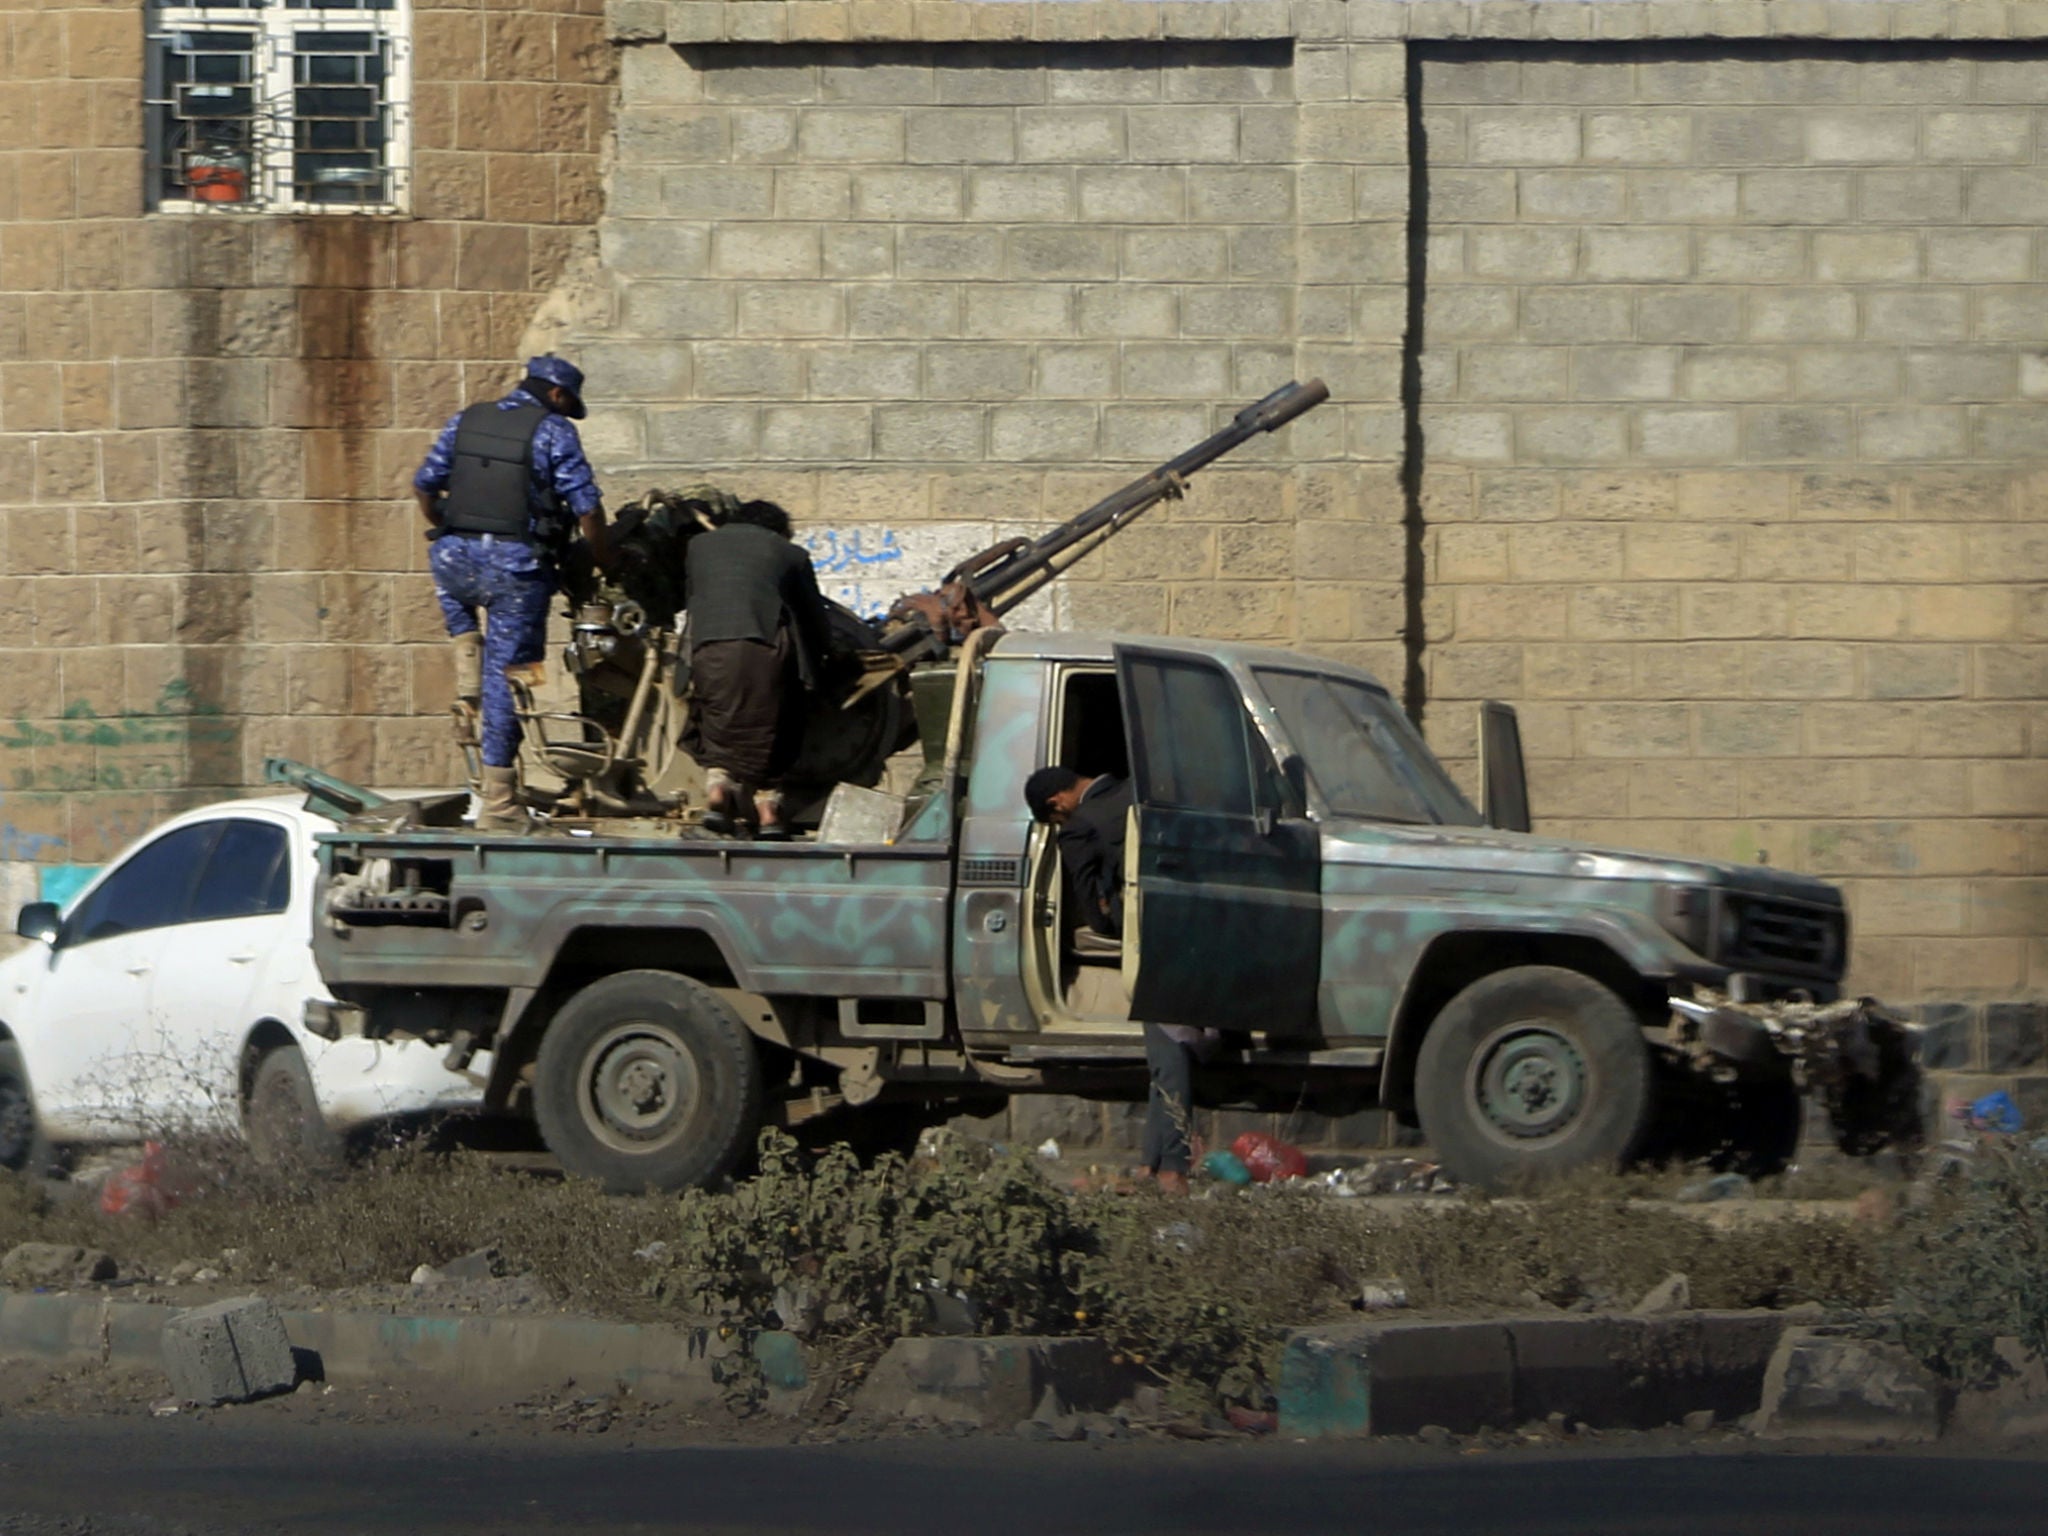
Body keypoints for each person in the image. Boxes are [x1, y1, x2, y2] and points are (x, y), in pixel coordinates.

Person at [413, 355, 611, 832]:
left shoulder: (467, 419)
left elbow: (423, 485)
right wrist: (606, 557)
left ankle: (466, 677)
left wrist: (449, 528)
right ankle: (500, 802)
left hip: (451, 564)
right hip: (517, 574)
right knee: (518, 674)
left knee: (473, 649)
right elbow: (587, 509)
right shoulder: (553, 430)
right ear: (558, 394)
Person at [1024, 765, 1196, 1195]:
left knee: (1170, 1054)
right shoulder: (1141, 788)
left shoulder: (1080, 825)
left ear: (1056, 804)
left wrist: (1107, 916)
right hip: (1190, 925)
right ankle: (1151, 1165)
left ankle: (1172, 1169)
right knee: (1165, 1053)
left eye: (1055, 820)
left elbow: (1094, 910)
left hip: (1150, 941)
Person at [680, 500, 830, 841]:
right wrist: (830, 657)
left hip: (709, 647)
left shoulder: (698, 546)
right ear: (778, 529)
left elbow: (694, 598)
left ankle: (719, 790)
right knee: (780, 722)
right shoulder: (791, 554)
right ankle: (769, 812)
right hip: (765, 648)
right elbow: (812, 617)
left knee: (715, 715)